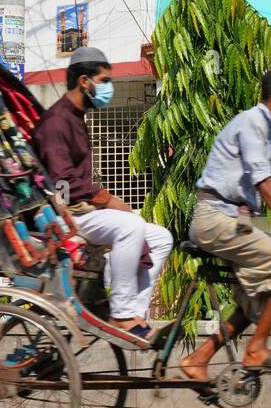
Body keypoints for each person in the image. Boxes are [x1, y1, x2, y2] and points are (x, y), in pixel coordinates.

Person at [180, 67, 271, 381]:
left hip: (231, 220)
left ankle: (199, 358)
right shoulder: (252, 122)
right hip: (216, 218)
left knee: (255, 301)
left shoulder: (266, 128)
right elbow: (263, 182)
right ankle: (257, 349)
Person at [33, 47, 172, 342]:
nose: (109, 88)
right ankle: (121, 314)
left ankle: (138, 314)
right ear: (85, 81)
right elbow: (63, 183)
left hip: (85, 213)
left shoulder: (76, 119)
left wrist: (107, 203)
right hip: (65, 215)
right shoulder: (57, 121)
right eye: (105, 80)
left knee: (161, 238)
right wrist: (108, 200)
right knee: (131, 225)